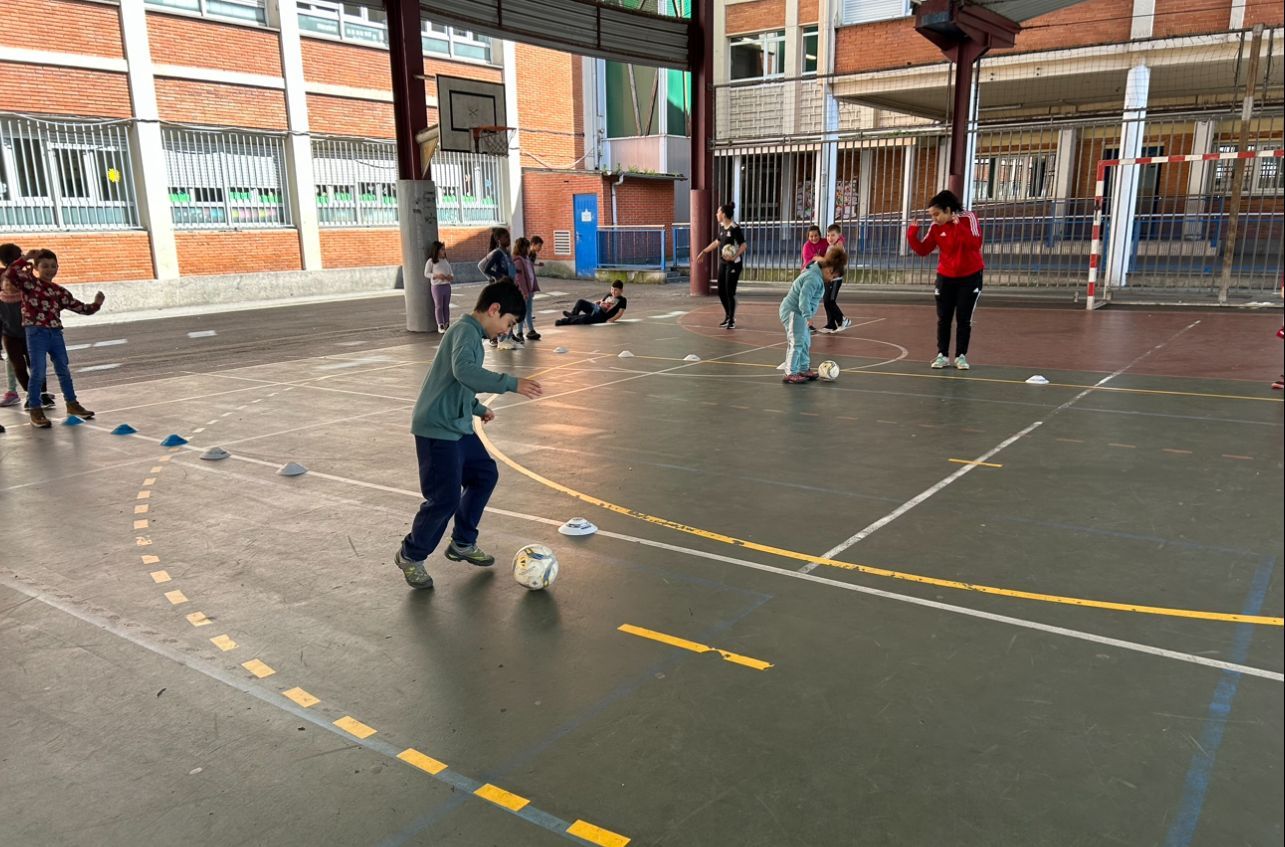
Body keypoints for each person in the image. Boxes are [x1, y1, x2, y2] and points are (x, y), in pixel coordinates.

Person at [394, 279, 543, 590]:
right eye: (508, 322)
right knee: (444, 498)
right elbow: (464, 371)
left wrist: (475, 408)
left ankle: (462, 542)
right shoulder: (464, 332)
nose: (506, 330)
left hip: (457, 424)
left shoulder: (471, 335)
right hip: (437, 428)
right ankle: (411, 554)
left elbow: (455, 382)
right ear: (494, 309)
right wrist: (511, 383)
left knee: (484, 475)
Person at [10, 249, 104, 428]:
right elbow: (11, 273)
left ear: (58, 268)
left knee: (63, 369)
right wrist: (26, 258)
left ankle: (72, 404)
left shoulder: (59, 291)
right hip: (36, 333)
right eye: (44, 266)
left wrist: (97, 303)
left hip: (55, 333)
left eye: (53, 266)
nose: (49, 269)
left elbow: (82, 308)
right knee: (38, 371)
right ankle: (36, 409)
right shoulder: (29, 284)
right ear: (36, 268)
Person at [907, 189, 984, 370]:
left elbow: (975, 243)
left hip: (970, 276)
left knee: (963, 318)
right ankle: (942, 355)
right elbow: (923, 250)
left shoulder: (968, 218)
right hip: (946, 277)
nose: (934, 219)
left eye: (937, 214)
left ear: (948, 210)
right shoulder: (935, 228)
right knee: (944, 318)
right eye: (932, 215)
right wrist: (912, 234)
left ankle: (960, 356)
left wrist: (959, 227)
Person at [781, 246, 846, 384]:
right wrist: (808, 316)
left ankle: (803, 368)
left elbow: (817, 261)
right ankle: (790, 372)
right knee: (797, 342)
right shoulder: (813, 278)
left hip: (800, 313)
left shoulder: (818, 272)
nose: (832, 280)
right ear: (829, 270)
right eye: (833, 277)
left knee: (805, 341)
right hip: (793, 312)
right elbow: (803, 299)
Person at [1, 243, 44, 409]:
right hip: (11, 329)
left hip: (27, 328)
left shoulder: (26, 275)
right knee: (16, 361)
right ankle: (21, 392)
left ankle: (38, 393)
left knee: (31, 362)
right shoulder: (10, 274)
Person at [695, 203, 746, 329]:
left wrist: (734, 256)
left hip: (734, 264)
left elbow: (743, 245)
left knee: (729, 292)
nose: (716, 214)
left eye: (718, 212)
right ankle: (728, 316)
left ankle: (732, 319)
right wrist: (704, 251)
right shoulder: (723, 228)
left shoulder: (735, 228)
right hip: (724, 263)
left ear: (723, 214)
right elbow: (717, 242)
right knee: (721, 291)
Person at [477, 227, 517, 347]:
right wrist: (497, 276)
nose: (508, 240)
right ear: (499, 239)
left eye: (509, 237)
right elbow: (485, 267)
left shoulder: (507, 252)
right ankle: (496, 336)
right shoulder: (497, 253)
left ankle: (508, 335)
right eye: (506, 237)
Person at [819, 224, 852, 334]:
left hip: (836, 279)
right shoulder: (830, 247)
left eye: (833, 235)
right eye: (828, 235)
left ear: (839, 236)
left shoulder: (838, 247)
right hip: (828, 278)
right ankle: (831, 324)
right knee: (826, 301)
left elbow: (833, 262)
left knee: (830, 301)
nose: (830, 238)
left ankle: (843, 320)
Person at [555, 281, 627, 326]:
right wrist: (596, 302)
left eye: (615, 290)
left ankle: (563, 321)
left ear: (621, 290)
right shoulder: (609, 294)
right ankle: (573, 314)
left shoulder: (622, 300)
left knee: (584, 318)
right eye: (612, 289)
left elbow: (619, 313)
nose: (613, 292)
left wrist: (611, 319)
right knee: (581, 302)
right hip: (596, 308)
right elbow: (601, 300)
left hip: (601, 316)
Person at [511, 236, 541, 343]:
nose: (529, 249)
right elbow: (519, 278)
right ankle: (519, 332)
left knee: (529, 311)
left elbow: (530, 273)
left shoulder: (526, 259)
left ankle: (531, 330)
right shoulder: (518, 261)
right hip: (523, 292)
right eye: (527, 247)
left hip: (529, 290)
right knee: (522, 312)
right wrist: (524, 292)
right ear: (522, 248)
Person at [424, 240, 454, 333]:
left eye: (444, 249)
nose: (443, 251)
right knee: (439, 306)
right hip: (437, 287)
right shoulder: (431, 261)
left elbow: (451, 272)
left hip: (446, 286)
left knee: (446, 306)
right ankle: (440, 324)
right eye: (442, 249)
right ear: (436, 251)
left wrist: (450, 277)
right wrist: (436, 276)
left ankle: (447, 323)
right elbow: (426, 273)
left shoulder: (445, 261)